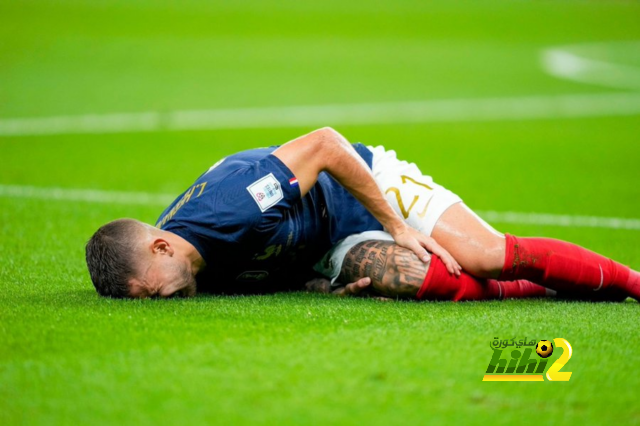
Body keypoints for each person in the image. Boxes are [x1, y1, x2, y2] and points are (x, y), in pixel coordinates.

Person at [85, 127, 639, 302]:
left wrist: (397, 224)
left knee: (484, 256)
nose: (162, 301)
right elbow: (257, 259)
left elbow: (325, 145)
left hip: (362, 188)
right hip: (321, 244)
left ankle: (631, 283)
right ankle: (544, 290)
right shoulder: (190, 263)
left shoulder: (228, 205)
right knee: (414, 277)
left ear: (160, 246)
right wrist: (310, 282)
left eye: (150, 293)